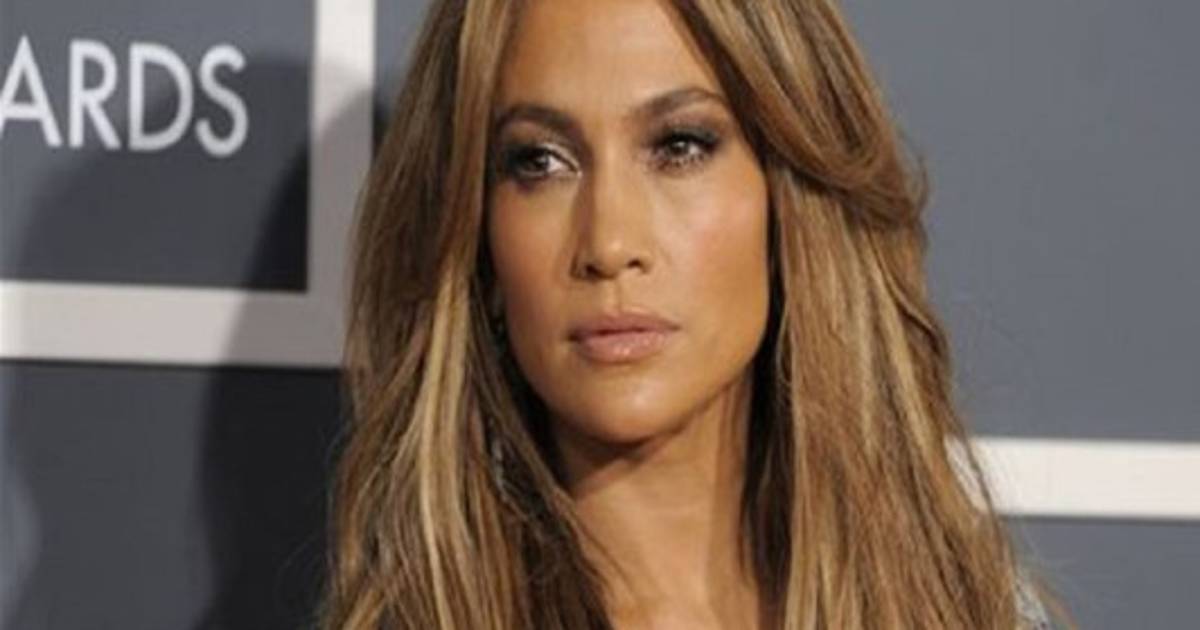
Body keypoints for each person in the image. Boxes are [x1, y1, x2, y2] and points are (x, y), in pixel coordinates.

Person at [320, 0, 1068, 628]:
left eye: (679, 146)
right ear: (476, 233)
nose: (609, 244)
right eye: (539, 161)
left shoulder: (972, 609)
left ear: (790, 200)